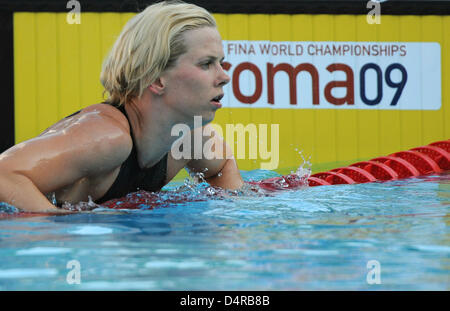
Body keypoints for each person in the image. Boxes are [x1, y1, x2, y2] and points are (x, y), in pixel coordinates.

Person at [0, 0, 244, 213]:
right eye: (206, 64)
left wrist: (226, 218)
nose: (224, 76)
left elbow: (221, 168)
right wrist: (61, 226)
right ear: (157, 79)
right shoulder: (106, 137)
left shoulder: (190, 142)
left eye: (221, 63)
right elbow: (3, 174)